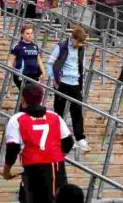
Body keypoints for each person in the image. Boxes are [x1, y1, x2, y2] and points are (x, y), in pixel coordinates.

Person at [0, 84, 73, 202]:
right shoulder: (54, 116)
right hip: (57, 166)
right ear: (41, 99)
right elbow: (68, 141)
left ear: (23, 99)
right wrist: (59, 156)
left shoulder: (17, 119)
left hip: (34, 167)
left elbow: (12, 148)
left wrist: (6, 171)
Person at [49, 26, 90, 154]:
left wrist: (81, 82)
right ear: (72, 38)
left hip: (75, 83)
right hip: (62, 82)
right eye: (77, 42)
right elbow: (50, 63)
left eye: (81, 43)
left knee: (77, 110)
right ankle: (61, 138)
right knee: (59, 111)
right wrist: (54, 79)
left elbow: (81, 65)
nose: (78, 45)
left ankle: (80, 138)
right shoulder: (61, 46)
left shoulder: (81, 49)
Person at [10, 25, 45, 95]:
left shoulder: (34, 46)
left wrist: (43, 72)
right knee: (25, 95)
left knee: (33, 95)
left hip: (34, 75)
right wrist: (13, 72)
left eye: (31, 33)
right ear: (22, 35)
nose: (30, 35)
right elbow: (10, 61)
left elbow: (39, 60)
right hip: (22, 75)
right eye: (27, 33)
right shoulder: (17, 46)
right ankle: (21, 106)